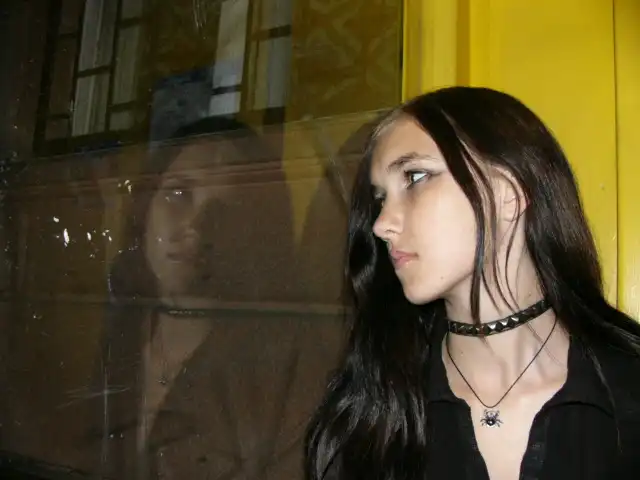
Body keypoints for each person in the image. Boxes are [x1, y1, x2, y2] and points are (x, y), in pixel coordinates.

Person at [304, 86, 640, 480]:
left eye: (415, 177)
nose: (381, 224)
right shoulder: (373, 414)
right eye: (380, 198)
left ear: (508, 194)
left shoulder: (627, 391)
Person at [85, 117, 343, 479]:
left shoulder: (287, 372)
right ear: (145, 207)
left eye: (226, 207)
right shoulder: (118, 336)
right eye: (178, 194)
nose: (195, 226)